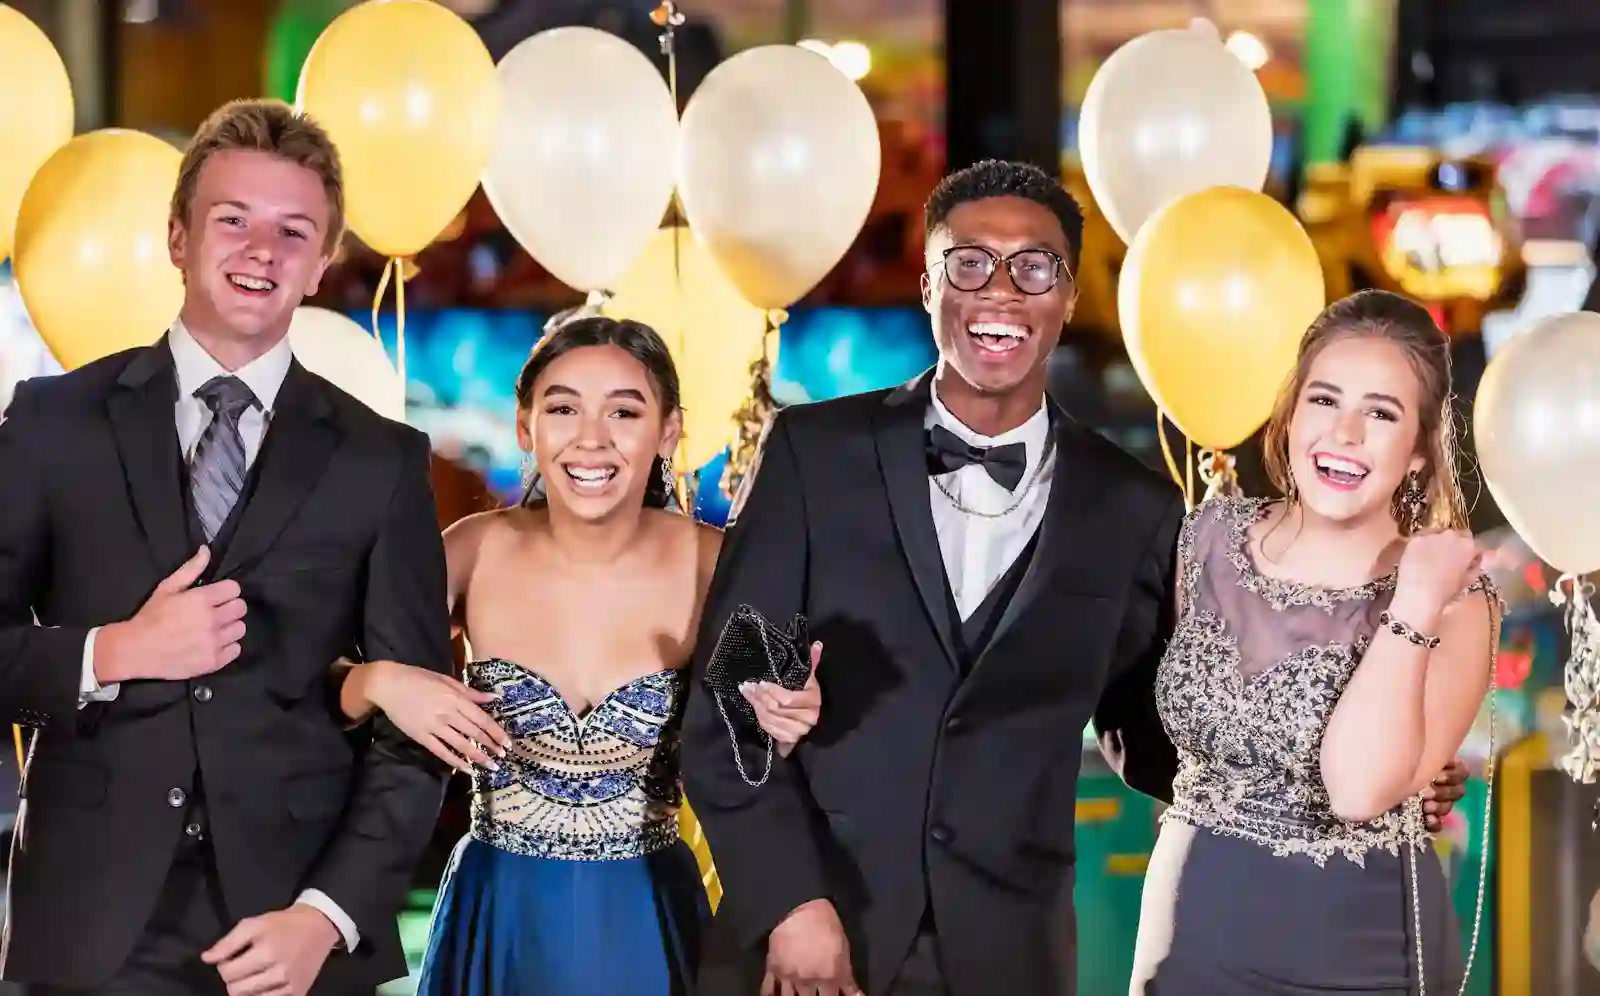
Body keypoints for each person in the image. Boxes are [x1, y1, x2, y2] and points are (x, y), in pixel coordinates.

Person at [679, 160, 1469, 996]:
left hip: (1009, 952)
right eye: (969, 263)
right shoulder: (813, 454)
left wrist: (1370, 767)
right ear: (927, 285)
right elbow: (730, 700)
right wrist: (793, 905)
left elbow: (1155, 725)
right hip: (812, 946)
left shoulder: (1130, 505)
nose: (1000, 292)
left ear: (1069, 299)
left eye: (1034, 269)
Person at [0, 99, 452, 995]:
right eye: (232, 220)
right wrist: (114, 651)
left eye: (294, 232)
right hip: (89, 927)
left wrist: (327, 916)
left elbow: (415, 724)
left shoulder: (383, 458)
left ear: (323, 264)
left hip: (292, 927)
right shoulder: (54, 424)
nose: (262, 251)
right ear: (176, 237)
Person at [332, 315, 821, 996]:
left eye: (624, 411)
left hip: (649, 912)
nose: (592, 439)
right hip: (498, 910)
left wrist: (798, 719)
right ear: (526, 427)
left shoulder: (718, 566)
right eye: (563, 408)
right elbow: (325, 677)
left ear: (670, 431)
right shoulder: (474, 550)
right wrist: (379, 681)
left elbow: (775, 751)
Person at [1130, 289, 1500, 994]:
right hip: (1189, 941)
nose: (1346, 434)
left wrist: (1415, 599)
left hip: (1361, 954)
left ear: (1419, 452)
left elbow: (1360, 790)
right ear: (1291, 413)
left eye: (1381, 414)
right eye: (1325, 401)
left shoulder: (1455, 600)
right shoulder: (1204, 539)